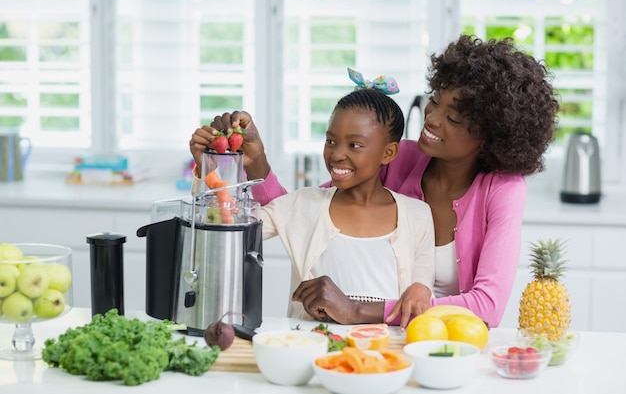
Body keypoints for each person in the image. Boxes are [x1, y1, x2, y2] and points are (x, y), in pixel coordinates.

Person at [189, 34, 560, 329]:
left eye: (455, 117)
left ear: (490, 134)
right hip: (382, 339)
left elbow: (488, 307)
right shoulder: (403, 156)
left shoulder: (503, 189)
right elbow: (307, 213)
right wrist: (256, 163)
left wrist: (357, 309)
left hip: (450, 341)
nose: (432, 118)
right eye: (435, 100)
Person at [192, 87, 436, 323]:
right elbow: (224, 231)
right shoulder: (302, 204)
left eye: (355, 145)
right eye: (331, 141)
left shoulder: (418, 215)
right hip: (311, 350)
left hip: (385, 356)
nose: (337, 154)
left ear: (389, 152)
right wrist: (210, 169)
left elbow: (418, 303)